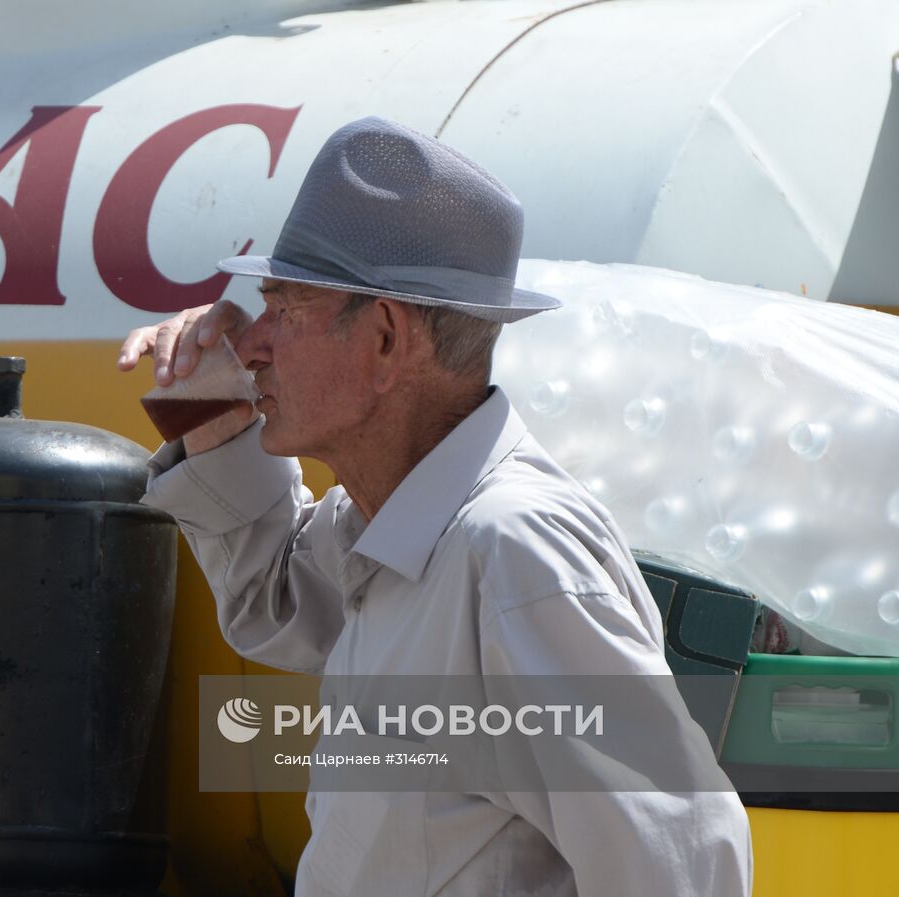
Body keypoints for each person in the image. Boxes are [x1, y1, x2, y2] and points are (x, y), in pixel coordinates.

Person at [118, 117, 752, 897]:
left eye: (287, 307)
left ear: (385, 339)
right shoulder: (394, 523)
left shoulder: (511, 553)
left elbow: (684, 859)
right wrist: (212, 423)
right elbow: (275, 599)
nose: (253, 344)